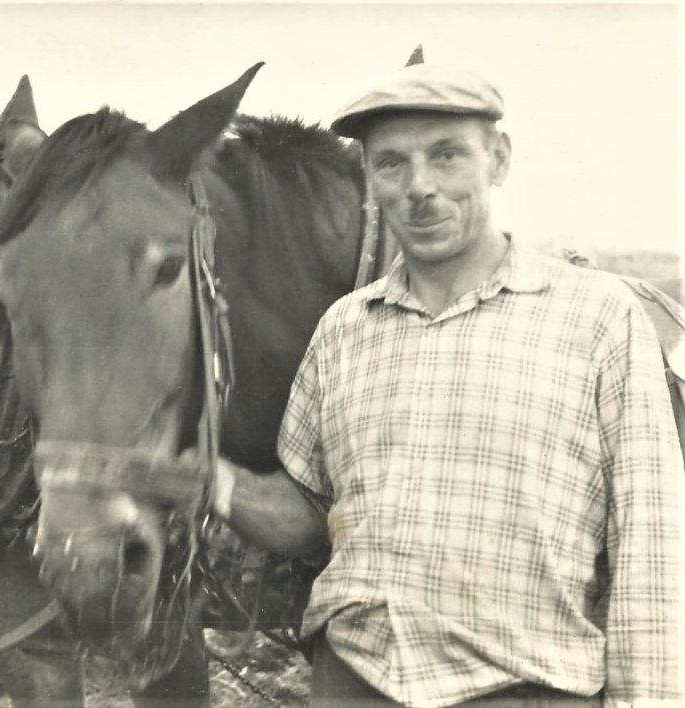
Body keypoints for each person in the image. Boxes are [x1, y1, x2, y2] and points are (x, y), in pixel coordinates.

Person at [211, 61, 683, 707]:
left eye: (447, 156)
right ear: (369, 181)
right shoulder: (345, 330)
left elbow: (650, 547)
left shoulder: (598, 318)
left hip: (525, 690)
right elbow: (310, 515)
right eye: (391, 164)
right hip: (354, 681)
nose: (420, 187)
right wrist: (204, 476)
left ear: (499, 159)